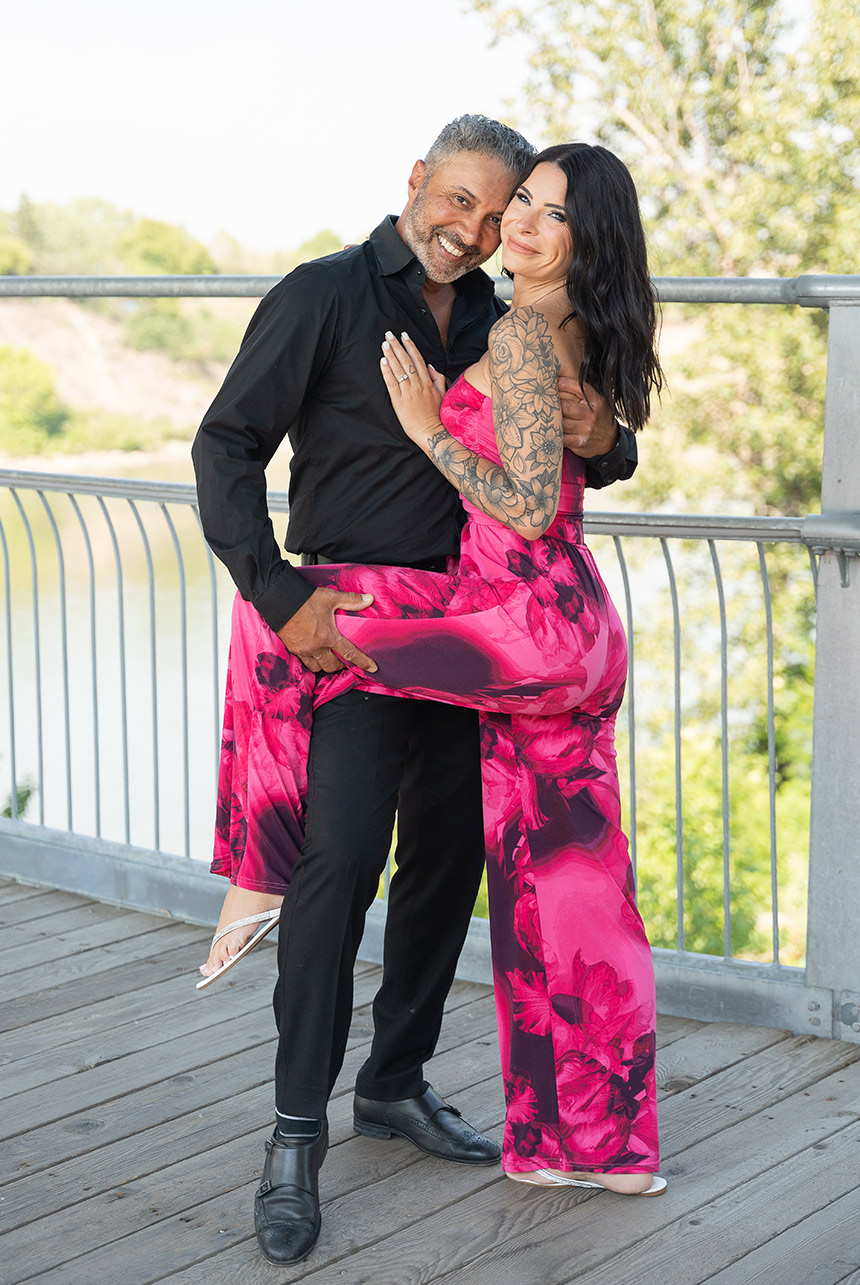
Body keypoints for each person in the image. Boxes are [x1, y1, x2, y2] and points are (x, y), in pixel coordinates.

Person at [193, 118, 638, 1267]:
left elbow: (560, 429)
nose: (473, 230)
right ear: (415, 184)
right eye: (458, 202)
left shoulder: (502, 313)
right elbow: (224, 445)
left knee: (448, 862)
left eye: (496, 216)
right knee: (339, 863)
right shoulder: (324, 295)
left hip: (473, 633)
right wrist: (278, 590)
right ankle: (294, 1136)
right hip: (353, 632)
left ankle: (393, 1081)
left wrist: (612, 435)